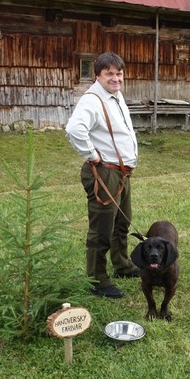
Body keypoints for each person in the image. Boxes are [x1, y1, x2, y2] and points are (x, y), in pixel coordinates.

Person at [65, 51, 140, 299]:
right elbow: (75, 129)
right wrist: (92, 155)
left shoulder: (115, 96)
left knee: (122, 223)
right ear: (98, 75)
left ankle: (122, 265)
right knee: (102, 230)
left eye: (119, 73)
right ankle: (97, 279)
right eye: (109, 73)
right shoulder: (92, 100)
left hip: (121, 174)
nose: (116, 78)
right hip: (104, 173)